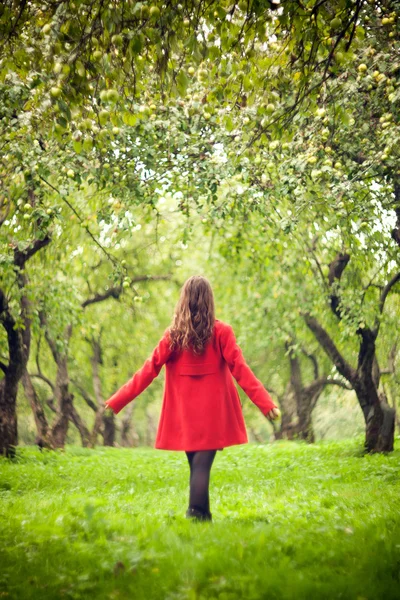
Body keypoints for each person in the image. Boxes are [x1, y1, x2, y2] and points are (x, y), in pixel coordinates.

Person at [105, 275, 280, 522]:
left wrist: (117, 400)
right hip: (213, 413)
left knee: (198, 465)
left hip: (185, 414)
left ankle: (201, 514)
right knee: (200, 466)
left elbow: (148, 370)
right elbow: (241, 368)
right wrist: (266, 403)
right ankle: (197, 513)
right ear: (209, 301)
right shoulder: (221, 332)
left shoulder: (174, 336)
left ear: (183, 301)